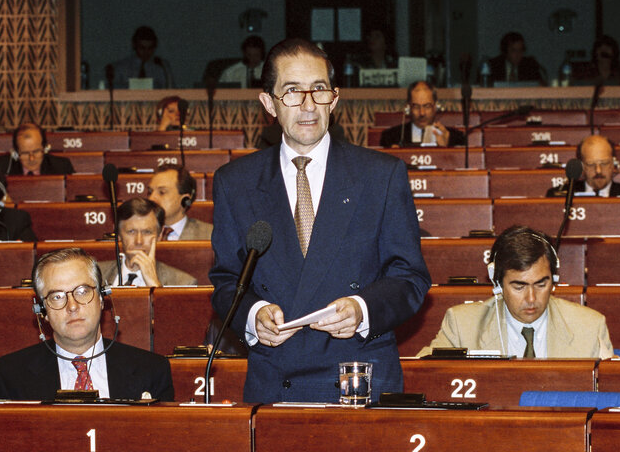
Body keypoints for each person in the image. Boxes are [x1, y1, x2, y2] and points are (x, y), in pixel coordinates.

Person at [210, 38, 431, 403]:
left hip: (360, 375)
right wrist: (254, 316)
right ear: (269, 103)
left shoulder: (381, 175)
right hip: (275, 379)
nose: (308, 105)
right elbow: (225, 282)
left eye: (319, 90)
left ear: (336, 98)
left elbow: (411, 278)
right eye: (292, 92)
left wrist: (362, 310)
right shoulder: (235, 182)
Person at [0, 247, 174, 400]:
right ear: (42, 311)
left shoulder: (152, 370)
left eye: (82, 291)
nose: (72, 306)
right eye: (57, 296)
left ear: (102, 299)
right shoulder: (9, 376)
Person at [418, 225, 614, 359]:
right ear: (498, 283)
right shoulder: (462, 325)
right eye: (519, 287)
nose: (531, 298)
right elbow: (424, 375)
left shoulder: (589, 326)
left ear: (554, 280)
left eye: (541, 284)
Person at [98, 198, 196, 287]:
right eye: (131, 231)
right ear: (118, 233)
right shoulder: (97, 276)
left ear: (160, 234)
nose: (139, 241)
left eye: (147, 232)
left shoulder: (183, 282)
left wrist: (154, 284)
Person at [545, 135, 620, 197]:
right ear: (581, 166)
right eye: (591, 164)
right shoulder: (559, 196)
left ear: (614, 164)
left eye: (604, 163)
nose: (598, 170)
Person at [379, 81, 466, 148]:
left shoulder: (456, 138)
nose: (422, 113)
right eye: (416, 106)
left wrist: (445, 149)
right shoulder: (390, 137)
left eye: (427, 106)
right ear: (409, 107)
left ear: (435, 106)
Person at [147, 166, 212, 241]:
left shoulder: (209, 234)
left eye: (162, 192)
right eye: (150, 192)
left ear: (185, 200)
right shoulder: (137, 233)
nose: (151, 198)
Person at [0, 123, 74, 176]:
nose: (31, 159)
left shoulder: (61, 167)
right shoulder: (1, 168)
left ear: (45, 149)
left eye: (36, 151)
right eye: (25, 153)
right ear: (16, 153)